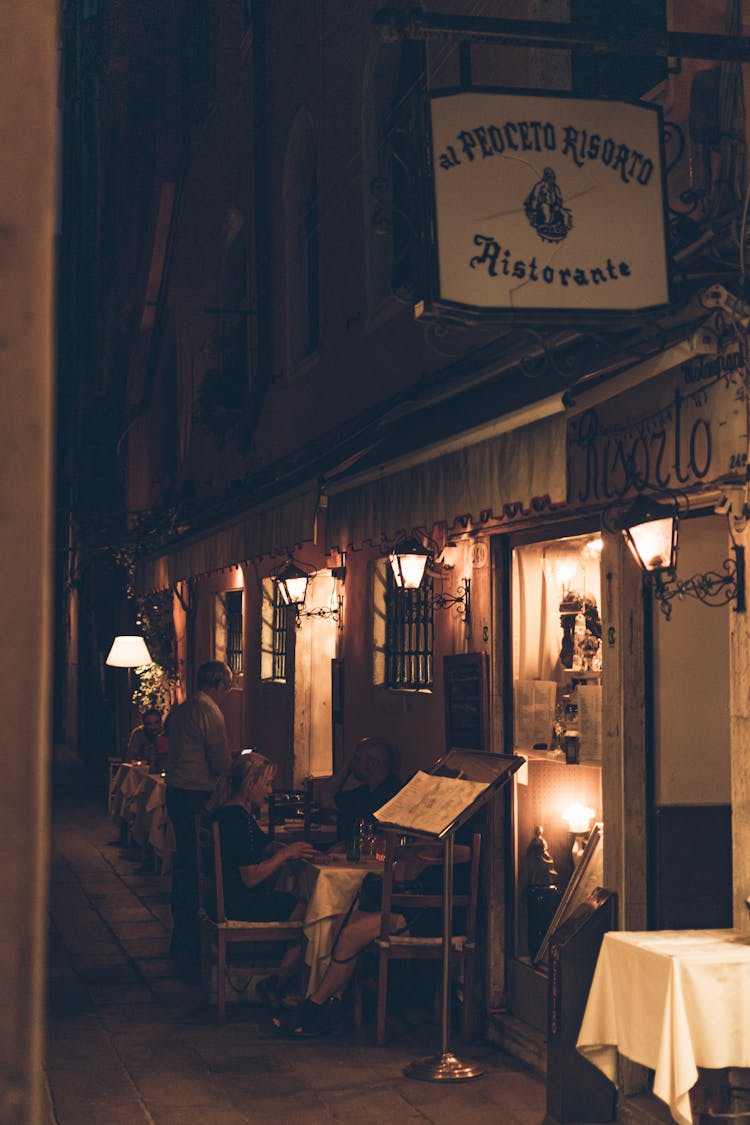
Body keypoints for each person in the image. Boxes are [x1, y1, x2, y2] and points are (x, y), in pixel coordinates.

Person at [272, 836, 473, 1038]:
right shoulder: (424, 844)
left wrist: (409, 853)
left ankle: (314, 1005)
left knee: (351, 935)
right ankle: (335, 1004)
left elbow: (404, 880)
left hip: (432, 918)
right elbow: (398, 881)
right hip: (412, 912)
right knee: (340, 922)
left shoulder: (441, 846)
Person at [209, 750, 319, 1005]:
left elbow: (264, 845)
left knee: (296, 899)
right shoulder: (239, 821)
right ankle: (281, 980)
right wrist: (286, 855)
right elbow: (250, 878)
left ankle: (283, 977)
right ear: (251, 784)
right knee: (309, 905)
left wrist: (284, 850)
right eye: (267, 784)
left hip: (219, 897)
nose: (270, 791)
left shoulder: (227, 813)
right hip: (237, 903)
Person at [165, 660, 233, 974]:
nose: (227, 694)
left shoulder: (180, 710)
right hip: (197, 795)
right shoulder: (209, 713)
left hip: (176, 791)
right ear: (218, 684)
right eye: (227, 688)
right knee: (198, 865)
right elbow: (219, 762)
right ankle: (194, 940)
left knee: (184, 863)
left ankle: (181, 936)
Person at [326, 737, 401, 852]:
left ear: (372, 764)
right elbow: (325, 799)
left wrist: (350, 846)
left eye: (357, 759)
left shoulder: (396, 796)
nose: (352, 764)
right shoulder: (362, 793)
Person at [126, 707, 163, 772]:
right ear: (144, 724)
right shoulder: (138, 733)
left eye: (156, 723)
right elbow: (131, 757)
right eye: (149, 724)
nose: (153, 727)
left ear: (160, 723)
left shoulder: (165, 734)